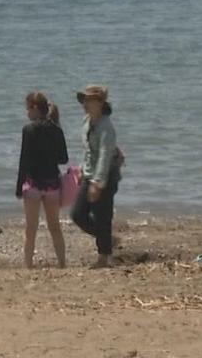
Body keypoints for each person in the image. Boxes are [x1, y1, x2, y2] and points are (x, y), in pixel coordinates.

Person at [15, 92, 69, 268]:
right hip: (52, 184)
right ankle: (62, 264)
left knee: (31, 229)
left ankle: (28, 265)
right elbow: (63, 159)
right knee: (55, 227)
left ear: (35, 108)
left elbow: (24, 160)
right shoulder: (57, 129)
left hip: (33, 185)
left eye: (28, 109)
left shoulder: (28, 130)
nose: (27, 113)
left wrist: (18, 187)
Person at [71, 85, 121, 268]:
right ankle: (107, 240)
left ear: (100, 103)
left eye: (88, 100)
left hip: (105, 176)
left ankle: (104, 256)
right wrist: (82, 169)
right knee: (78, 214)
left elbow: (105, 155)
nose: (84, 103)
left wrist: (98, 183)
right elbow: (90, 151)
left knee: (102, 216)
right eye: (83, 100)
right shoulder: (87, 121)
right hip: (90, 173)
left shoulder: (106, 126)